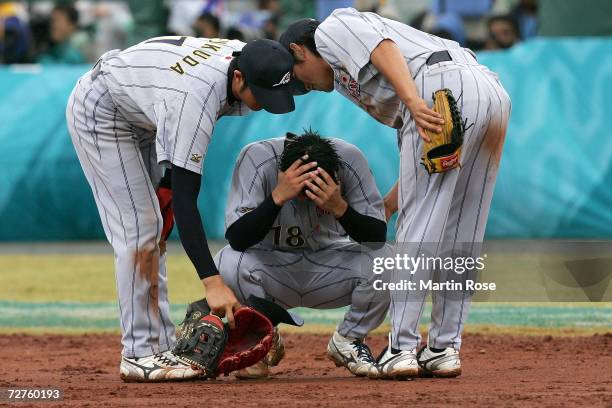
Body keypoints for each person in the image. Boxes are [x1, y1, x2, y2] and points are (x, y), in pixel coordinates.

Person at [279, 8, 511, 378]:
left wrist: (416, 101)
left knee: (417, 231)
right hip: (488, 95)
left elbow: (382, 45)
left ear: (300, 50)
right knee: (462, 230)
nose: (300, 85)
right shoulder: (348, 77)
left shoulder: (330, 30)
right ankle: (443, 348)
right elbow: (417, 159)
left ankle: (400, 348)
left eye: (295, 76)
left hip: (437, 87)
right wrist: (389, 203)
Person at [66, 36, 297, 382]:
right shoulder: (195, 98)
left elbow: (177, 180)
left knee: (155, 231)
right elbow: (188, 199)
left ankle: (160, 343)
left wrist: (166, 187)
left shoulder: (250, 57)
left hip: (141, 111)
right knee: (141, 230)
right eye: (261, 96)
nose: (263, 105)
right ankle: (139, 353)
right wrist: (212, 282)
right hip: (104, 112)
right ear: (238, 79)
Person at [214, 130, 390, 379]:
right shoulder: (257, 158)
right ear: (282, 173)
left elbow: (376, 238)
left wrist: (340, 208)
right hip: (271, 266)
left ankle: (348, 339)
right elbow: (238, 238)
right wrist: (277, 197)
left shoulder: (350, 160)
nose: (309, 198)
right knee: (228, 261)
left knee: (388, 260)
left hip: (330, 266)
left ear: (335, 175)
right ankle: (260, 334)